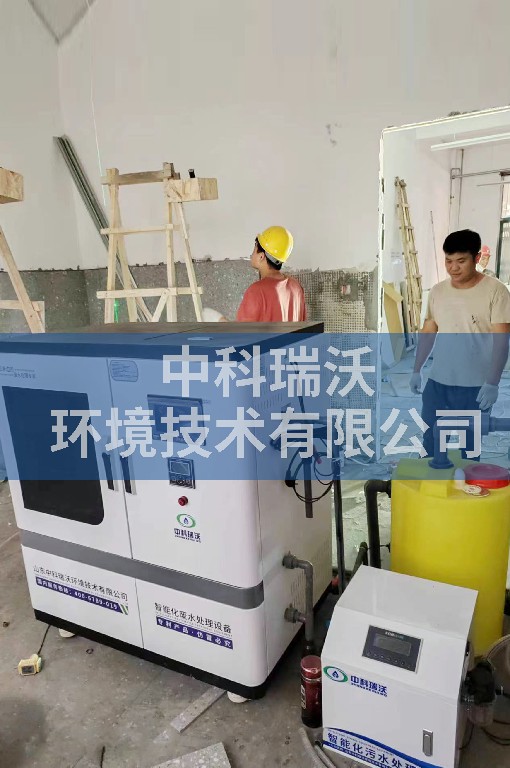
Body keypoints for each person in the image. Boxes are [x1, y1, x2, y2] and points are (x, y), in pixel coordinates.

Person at [410, 229, 510, 457]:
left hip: (475, 387)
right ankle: (433, 477)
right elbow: (429, 332)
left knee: (470, 447)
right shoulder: (438, 292)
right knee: (431, 442)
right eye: (448, 261)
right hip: (438, 382)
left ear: (476, 258)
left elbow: (502, 341)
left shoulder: (496, 292)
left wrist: (492, 383)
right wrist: (417, 369)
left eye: (461, 261)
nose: (453, 268)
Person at [236, 226, 307, 322]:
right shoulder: (296, 287)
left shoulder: (256, 291)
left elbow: (242, 330)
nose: (251, 254)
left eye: (254, 249)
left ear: (261, 256)